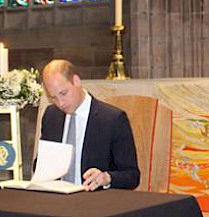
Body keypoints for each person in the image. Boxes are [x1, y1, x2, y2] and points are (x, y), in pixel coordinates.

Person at [40, 59, 140, 191]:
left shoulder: (112, 119)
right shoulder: (52, 115)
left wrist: (106, 178)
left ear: (76, 81)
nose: (61, 103)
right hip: (57, 201)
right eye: (54, 98)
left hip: (96, 203)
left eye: (63, 93)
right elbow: (41, 165)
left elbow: (132, 176)